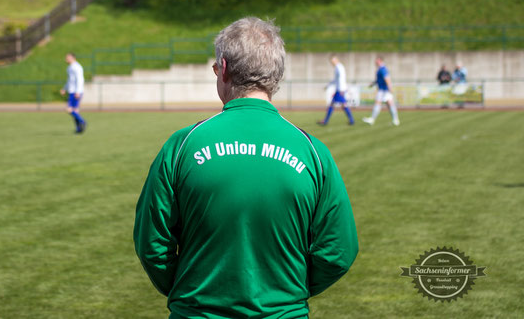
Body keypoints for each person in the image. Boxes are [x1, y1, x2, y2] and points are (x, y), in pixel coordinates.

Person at [134, 17, 358, 319]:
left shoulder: (183, 145)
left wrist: (190, 290)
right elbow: (338, 251)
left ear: (223, 69)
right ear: (275, 75)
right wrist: (288, 292)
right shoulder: (312, 151)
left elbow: (152, 244)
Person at [362, 56, 400, 126]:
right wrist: (373, 84)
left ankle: (372, 119)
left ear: (380, 61)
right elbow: (379, 80)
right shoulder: (380, 69)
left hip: (383, 90)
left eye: (377, 60)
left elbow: (387, 78)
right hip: (383, 90)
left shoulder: (383, 69)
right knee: (390, 104)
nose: (375, 62)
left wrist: (390, 88)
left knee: (379, 103)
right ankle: (396, 120)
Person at [318, 55, 355, 126]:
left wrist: (341, 90)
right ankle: (351, 120)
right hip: (340, 89)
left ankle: (325, 121)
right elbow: (336, 79)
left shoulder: (339, 67)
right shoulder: (338, 67)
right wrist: (328, 85)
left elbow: (341, 79)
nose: (332, 63)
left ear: (336, 60)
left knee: (340, 105)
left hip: (340, 90)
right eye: (331, 62)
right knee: (341, 105)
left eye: (333, 61)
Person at [60, 52, 87, 133]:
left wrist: (78, 91)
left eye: (67, 57)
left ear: (73, 58)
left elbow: (80, 80)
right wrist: (64, 88)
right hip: (72, 91)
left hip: (76, 92)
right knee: (75, 110)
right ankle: (78, 129)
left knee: (69, 109)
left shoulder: (77, 67)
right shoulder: (69, 68)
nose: (66, 59)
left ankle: (82, 121)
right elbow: (70, 80)